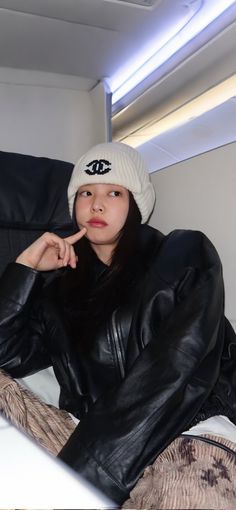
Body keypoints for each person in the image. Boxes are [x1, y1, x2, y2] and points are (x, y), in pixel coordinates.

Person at [0, 141, 236, 508]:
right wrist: (25, 268)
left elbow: (173, 376)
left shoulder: (185, 255)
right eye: (85, 193)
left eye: (114, 192)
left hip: (184, 432)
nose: (96, 204)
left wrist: (79, 478)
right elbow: (8, 354)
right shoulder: (59, 289)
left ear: (136, 203)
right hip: (87, 432)